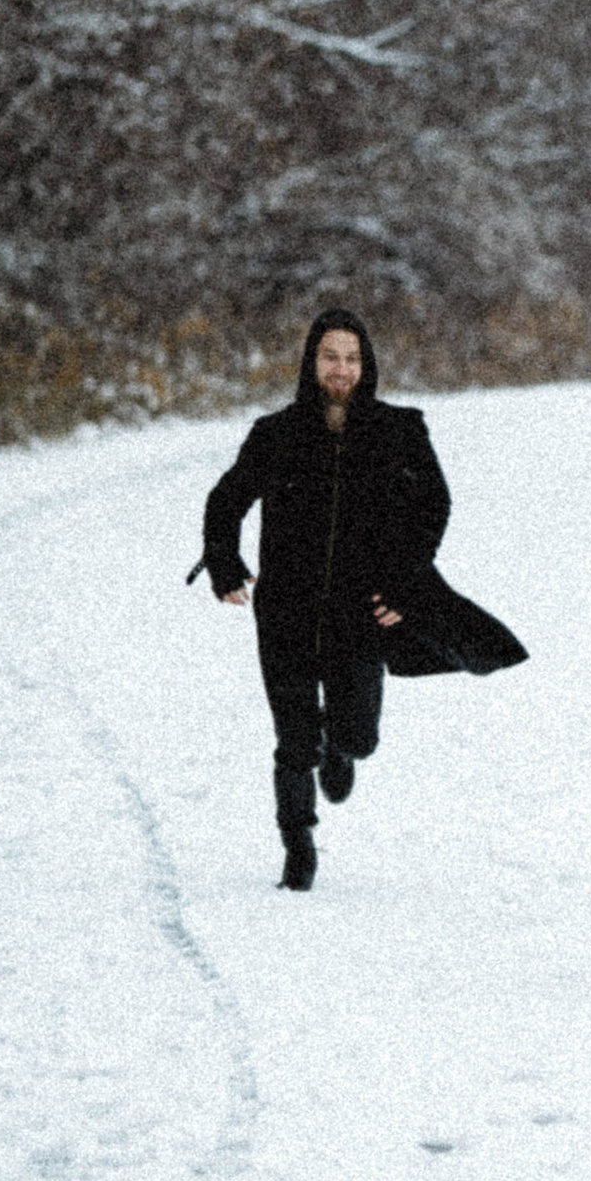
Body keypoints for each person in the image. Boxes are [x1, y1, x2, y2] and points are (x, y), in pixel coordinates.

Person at [193, 304, 526, 888]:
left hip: (360, 611)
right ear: (311, 363)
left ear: (366, 365)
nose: (341, 369)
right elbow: (228, 499)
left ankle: (339, 745)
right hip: (286, 613)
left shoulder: (399, 432)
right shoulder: (275, 435)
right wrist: (224, 562)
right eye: (330, 358)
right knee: (293, 740)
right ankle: (298, 844)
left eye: (351, 359)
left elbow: (434, 506)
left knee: (359, 738)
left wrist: (406, 586)